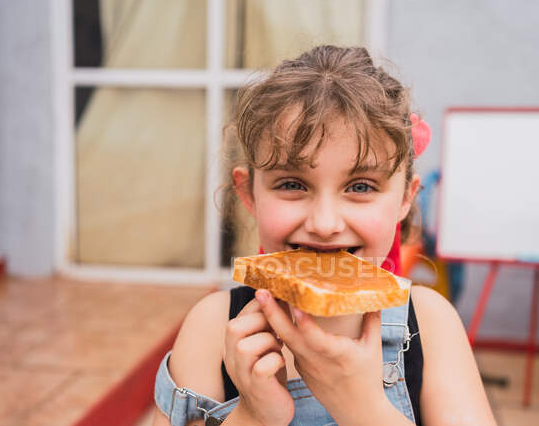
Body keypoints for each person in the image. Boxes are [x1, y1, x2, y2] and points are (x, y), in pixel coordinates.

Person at [151, 45, 497, 426]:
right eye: (292, 183)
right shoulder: (214, 328)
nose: (325, 222)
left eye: (362, 186)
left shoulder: (429, 325)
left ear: (405, 199)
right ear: (249, 194)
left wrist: (361, 406)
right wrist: (252, 415)